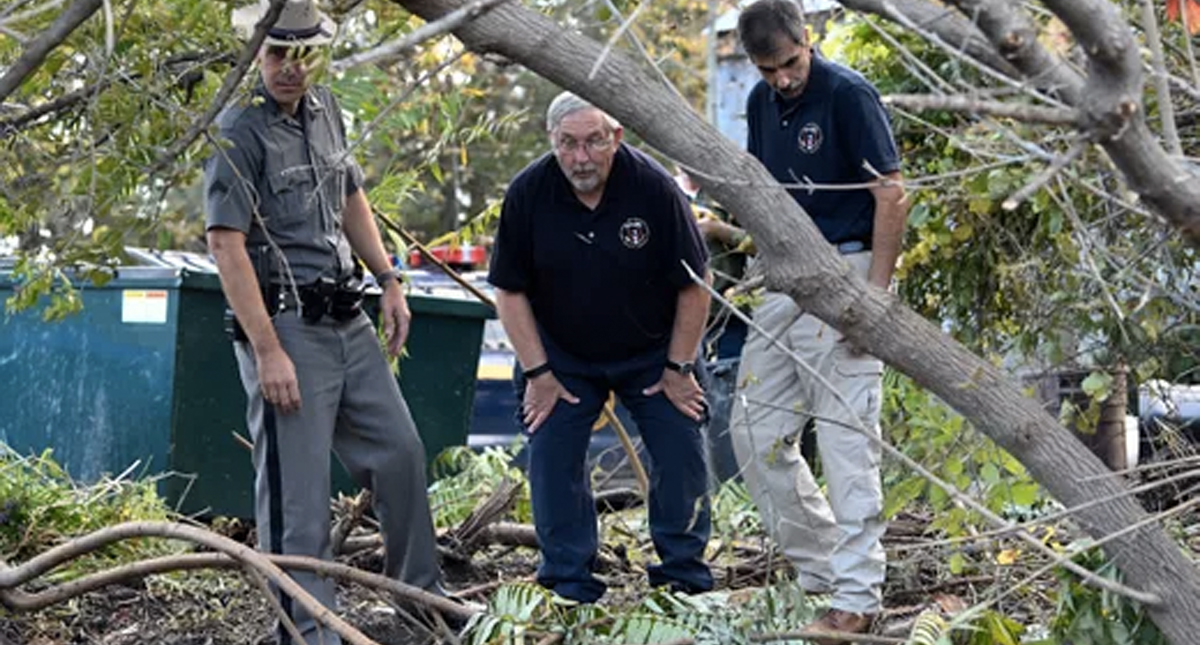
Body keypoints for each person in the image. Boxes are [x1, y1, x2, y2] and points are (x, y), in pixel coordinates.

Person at [204, 2, 447, 642]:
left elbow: (350, 198)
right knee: (299, 503)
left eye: (302, 53)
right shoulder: (239, 130)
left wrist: (391, 280)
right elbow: (225, 244)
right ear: (259, 52)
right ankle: (306, 633)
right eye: (278, 52)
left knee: (401, 455)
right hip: (284, 326)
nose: (290, 67)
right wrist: (267, 351)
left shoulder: (327, 110)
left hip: (347, 316)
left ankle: (423, 612)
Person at [725, 0, 909, 642]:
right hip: (783, 274)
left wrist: (876, 297)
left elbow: (891, 193)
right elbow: (764, 192)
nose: (781, 78)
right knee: (753, 432)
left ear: (810, 38)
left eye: (789, 63)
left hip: (848, 269)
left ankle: (857, 598)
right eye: (767, 68)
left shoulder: (849, 94)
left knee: (845, 442)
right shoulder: (758, 101)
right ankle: (825, 570)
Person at [488, 92, 714, 603]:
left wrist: (680, 367)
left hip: (654, 351)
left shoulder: (653, 187)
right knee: (550, 450)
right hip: (562, 355)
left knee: (681, 446)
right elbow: (509, 289)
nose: (581, 157)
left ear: (617, 138)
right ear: (553, 142)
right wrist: (539, 374)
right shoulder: (528, 192)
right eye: (568, 144)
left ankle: (683, 577)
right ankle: (569, 583)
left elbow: (696, 282)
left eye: (593, 142)